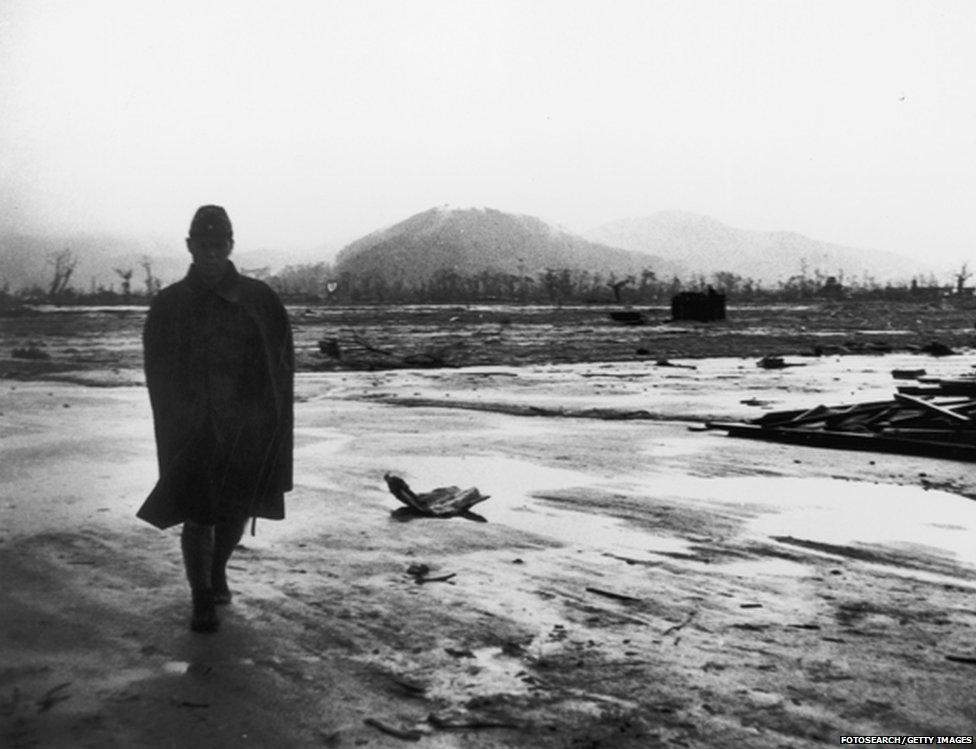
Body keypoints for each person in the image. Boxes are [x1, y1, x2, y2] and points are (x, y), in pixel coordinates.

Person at [138, 205, 294, 633]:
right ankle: (201, 596)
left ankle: (218, 569)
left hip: (247, 427)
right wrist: (176, 419)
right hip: (194, 427)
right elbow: (157, 370)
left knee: (236, 511)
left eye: (218, 245)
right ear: (190, 246)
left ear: (230, 246)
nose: (210, 253)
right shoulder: (169, 304)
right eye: (202, 245)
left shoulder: (259, 298)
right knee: (198, 512)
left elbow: (280, 364)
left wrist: (272, 422)